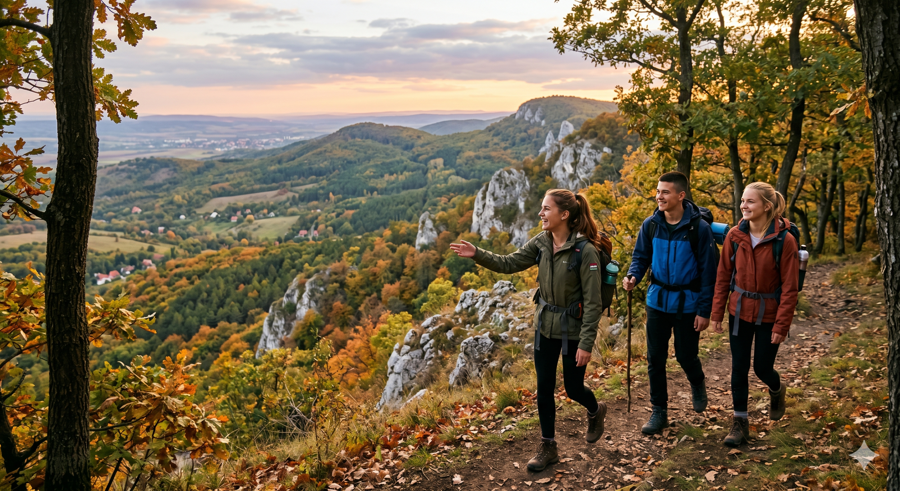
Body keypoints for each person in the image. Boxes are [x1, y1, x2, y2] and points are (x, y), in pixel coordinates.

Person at [450, 189, 609, 472]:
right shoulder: (542, 243)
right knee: (544, 388)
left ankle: (596, 411)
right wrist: (478, 254)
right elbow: (509, 263)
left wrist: (586, 343)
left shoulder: (585, 251)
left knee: (573, 389)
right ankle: (548, 445)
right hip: (544, 327)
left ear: (564, 215)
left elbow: (594, 302)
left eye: (546, 209)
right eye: (541, 208)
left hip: (572, 330)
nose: (540, 214)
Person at [623, 171, 718, 435]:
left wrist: (704, 311)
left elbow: (710, 273)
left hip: (688, 303)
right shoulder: (651, 224)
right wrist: (633, 276)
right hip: (657, 300)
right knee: (655, 358)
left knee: (686, 356)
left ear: (680, 195)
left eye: (665, 192)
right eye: (657, 191)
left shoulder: (698, 229)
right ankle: (659, 411)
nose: (659, 196)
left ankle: (697, 382)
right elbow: (641, 257)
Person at [710, 182, 798, 447]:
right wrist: (717, 312)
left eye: (750, 202)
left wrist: (781, 325)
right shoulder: (735, 236)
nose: (743, 206)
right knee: (739, 367)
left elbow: (791, 288)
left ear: (766, 207)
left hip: (769, 314)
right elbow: (723, 276)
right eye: (742, 201)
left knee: (761, 367)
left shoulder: (785, 241)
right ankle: (740, 423)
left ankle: (776, 388)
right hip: (738, 311)